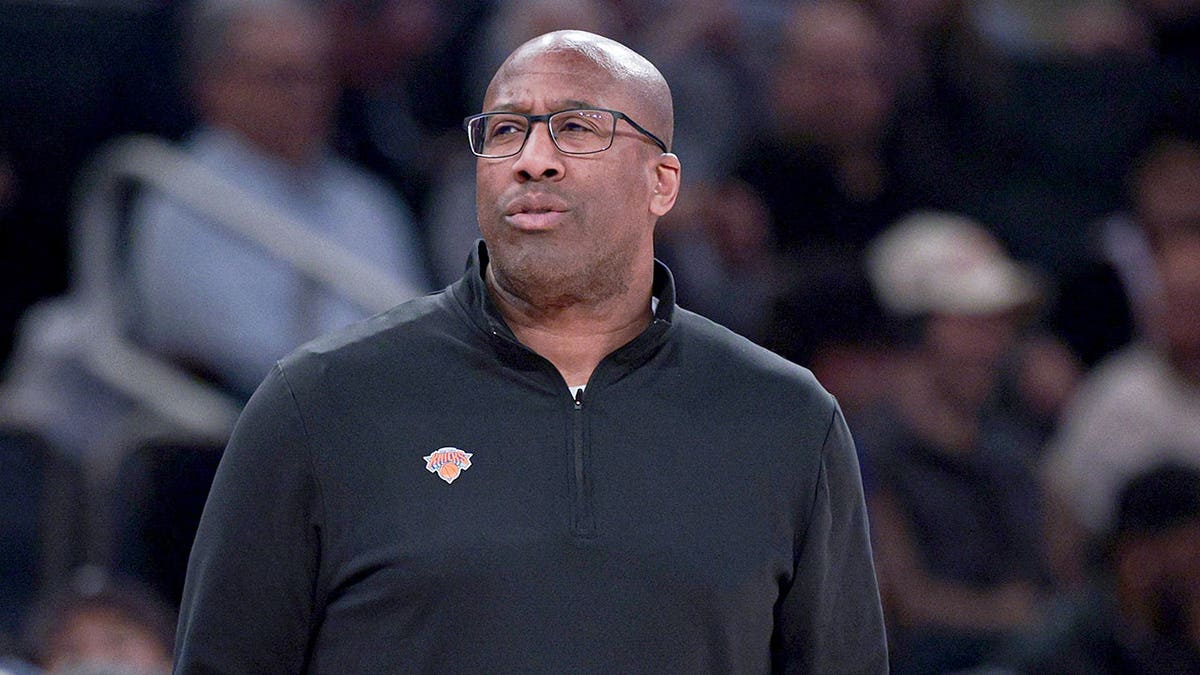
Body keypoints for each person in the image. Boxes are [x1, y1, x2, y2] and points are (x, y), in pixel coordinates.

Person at [174, 30, 887, 672]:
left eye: (576, 128)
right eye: (506, 130)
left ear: (661, 183)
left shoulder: (787, 418)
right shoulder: (317, 403)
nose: (532, 161)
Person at [128, 0, 431, 400]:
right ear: (213, 84)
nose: (306, 95)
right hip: (249, 437)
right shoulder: (179, 198)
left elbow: (421, 333)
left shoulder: (366, 200)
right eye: (281, 78)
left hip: (382, 416)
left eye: (317, 75)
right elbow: (239, 361)